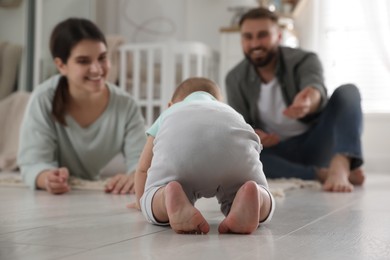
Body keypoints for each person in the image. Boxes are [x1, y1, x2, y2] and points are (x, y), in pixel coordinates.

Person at [225, 7, 365, 193]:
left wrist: (309, 101)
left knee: (348, 91)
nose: (255, 43)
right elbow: (242, 127)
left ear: (279, 36)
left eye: (263, 35)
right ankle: (321, 174)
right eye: (248, 37)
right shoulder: (234, 78)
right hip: (277, 152)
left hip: (316, 142)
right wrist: (257, 136)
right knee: (241, 157)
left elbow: (315, 88)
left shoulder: (304, 60)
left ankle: (341, 163)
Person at [129, 77, 275, 234]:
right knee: (258, 192)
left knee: (155, 196)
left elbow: (143, 169)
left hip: (181, 161)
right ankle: (254, 196)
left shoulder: (169, 113)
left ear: (170, 105)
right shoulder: (229, 112)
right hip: (233, 154)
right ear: (218, 102)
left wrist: (142, 202)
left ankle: (166, 197)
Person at [17, 18, 146, 195]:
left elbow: (141, 162)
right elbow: (33, 162)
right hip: (57, 202)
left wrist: (134, 176)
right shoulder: (43, 99)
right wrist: (47, 177)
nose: (96, 69)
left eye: (102, 58)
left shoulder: (127, 105)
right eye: (83, 61)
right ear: (61, 65)